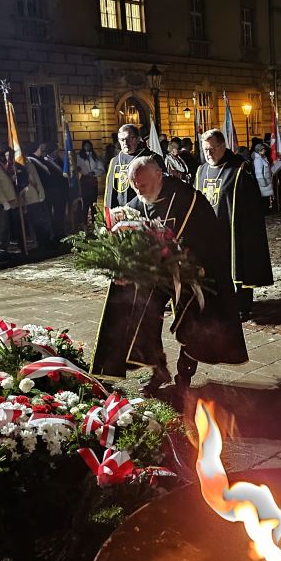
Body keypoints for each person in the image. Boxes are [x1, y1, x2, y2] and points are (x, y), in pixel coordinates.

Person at [92, 156, 248, 390]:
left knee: (194, 322)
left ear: (158, 175)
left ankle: (184, 376)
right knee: (138, 311)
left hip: (192, 271)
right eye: (134, 185)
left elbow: (208, 241)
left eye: (143, 184)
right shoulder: (137, 202)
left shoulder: (187, 199)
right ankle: (158, 370)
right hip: (157, 270)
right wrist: (123, 265)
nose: (139, 190)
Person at [195, 129, 273, 319]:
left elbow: (252, 207)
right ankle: (218, 303)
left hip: (234, 232)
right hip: (209, 233)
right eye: (205, 150)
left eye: (212, 149)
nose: (208, 154)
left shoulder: (239, 169)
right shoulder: (201, 171)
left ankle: (241, 306)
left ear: (223, 146)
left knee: (237, 268)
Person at [104, 123, 162, 208]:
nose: (125, 143)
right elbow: (110, 191)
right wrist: (110, 211)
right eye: (122, 140)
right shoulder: (115, 161)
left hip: (145, 208)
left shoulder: (152, 158)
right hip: (121, 211)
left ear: (138, 139)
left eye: (129, 139)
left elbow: (160, 186)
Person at [76, 140, 105, 216]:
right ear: (83, 147)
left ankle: (94, 219)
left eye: (89, 145)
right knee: (85, 203)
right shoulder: (79, 157)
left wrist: (94, 172)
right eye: (86, 146)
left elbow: (101, 169)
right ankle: (84, 220)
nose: (87, 147)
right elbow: (75, 168)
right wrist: (79, 170)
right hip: (84, 182)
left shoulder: (95, 157)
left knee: (94, 203)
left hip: (93, 182)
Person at [251, 143, 273, 209]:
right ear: (259, 150)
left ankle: (267, 208)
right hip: (263, 182)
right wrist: (262, 182)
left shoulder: (263, 157)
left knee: (266, 197)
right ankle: (265, 210)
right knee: (264, 198)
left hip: (266, 180)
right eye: (263, 149)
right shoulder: (258, 159)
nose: (264, 150)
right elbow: (258, 172)